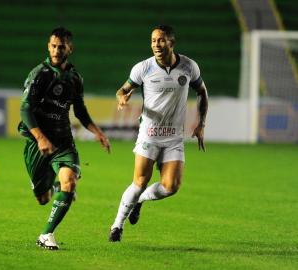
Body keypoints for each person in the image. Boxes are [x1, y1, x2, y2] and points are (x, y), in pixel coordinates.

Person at [108, 24, 208, 242]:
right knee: (139, 181)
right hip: (149, 134)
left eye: (161, 40)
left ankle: (141, 200)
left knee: (171, 186)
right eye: (153, 40)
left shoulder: (189, 67)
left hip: (174, 138)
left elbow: (202, 91)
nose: (156, 44)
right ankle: (117, 226)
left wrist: (201, 124)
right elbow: (122, 90)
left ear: (171, 42)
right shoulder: (143, 68)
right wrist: (122, 98)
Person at [18, 27, 110, 250]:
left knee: (69, 182)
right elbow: (25, 109)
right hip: (37, 142)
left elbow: (79, 110)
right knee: (42, 199)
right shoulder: (39, 74)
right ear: (48, 47)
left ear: (70, 48)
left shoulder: (75, 78)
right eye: (53, 46)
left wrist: (97, 131)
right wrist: (40, 138)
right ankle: (51, 184)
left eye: (61, 46)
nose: (57, 50)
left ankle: (46, 234)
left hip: (62, 141)